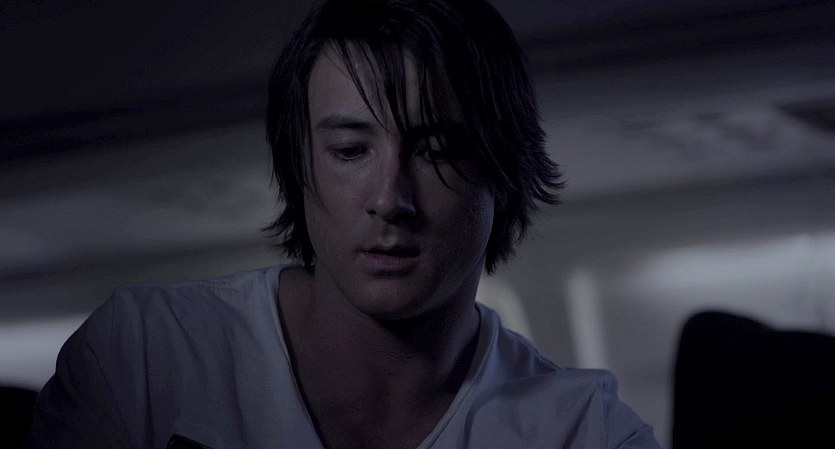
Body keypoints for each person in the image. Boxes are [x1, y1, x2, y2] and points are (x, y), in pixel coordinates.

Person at [26, 0, 660, 448]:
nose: (389, 198)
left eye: (437, 151)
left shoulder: (584, 432)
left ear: (501, 173)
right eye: (351, 151)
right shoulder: (144, 356)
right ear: (299, 167)